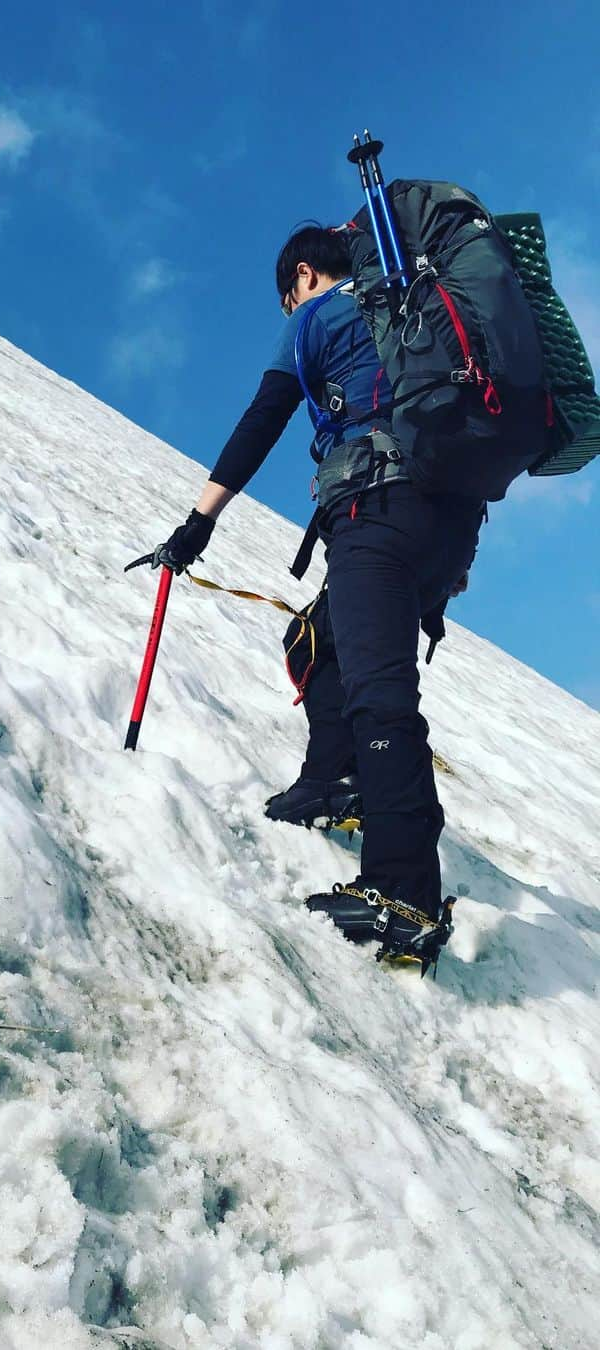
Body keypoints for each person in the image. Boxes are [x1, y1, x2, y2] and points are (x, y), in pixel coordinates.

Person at [142, 225, 483, 969]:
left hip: (375, 507)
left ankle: (402, 896)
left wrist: (197, 523)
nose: (285, 308)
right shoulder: (412, 302)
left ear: (302, 276)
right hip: (450, 523)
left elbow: (263, 419)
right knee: (323, 639)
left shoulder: (317, 318)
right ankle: (332, 781)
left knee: (380, 692)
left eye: (284, 296)